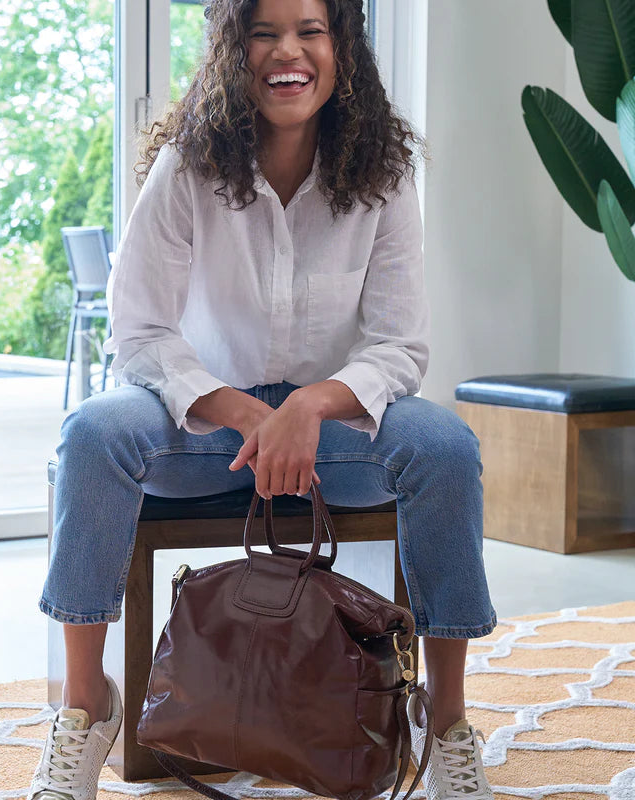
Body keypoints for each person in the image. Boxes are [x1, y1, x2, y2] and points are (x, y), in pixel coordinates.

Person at [26, 1, 497, 799]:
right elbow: (139, 333)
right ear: (231, 50)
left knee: (446, 446)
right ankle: (85, 707)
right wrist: (242, 410)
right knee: (92, 433)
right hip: (206, 431)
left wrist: (310, 405)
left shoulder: (383, 174)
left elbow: (400, 346)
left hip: (337, 435)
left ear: (341, 48)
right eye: (263, 32)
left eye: (311, 30)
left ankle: (443, 720)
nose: (289, 51)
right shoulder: (188, 165)